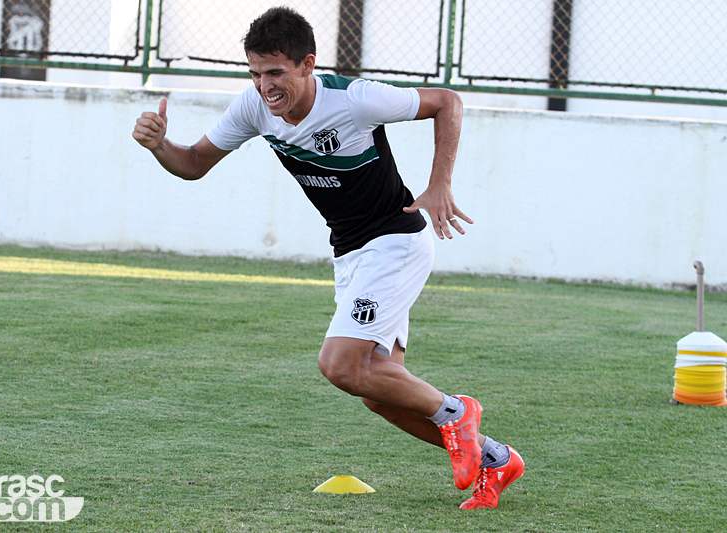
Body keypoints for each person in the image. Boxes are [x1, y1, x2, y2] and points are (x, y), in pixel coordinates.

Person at [132, 6, 523, 510]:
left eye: (275, 73)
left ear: (307, 65)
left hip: (395, 240)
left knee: (339, 364)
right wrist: (160, 145)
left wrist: (439, 183)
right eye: (254, 74)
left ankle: (457, 413)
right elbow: (192, 164)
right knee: (380, 394)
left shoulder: (355, 99)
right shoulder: (254, 108)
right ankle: (496, 459)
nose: (264, 87)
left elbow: (447, 101)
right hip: (351, 253)